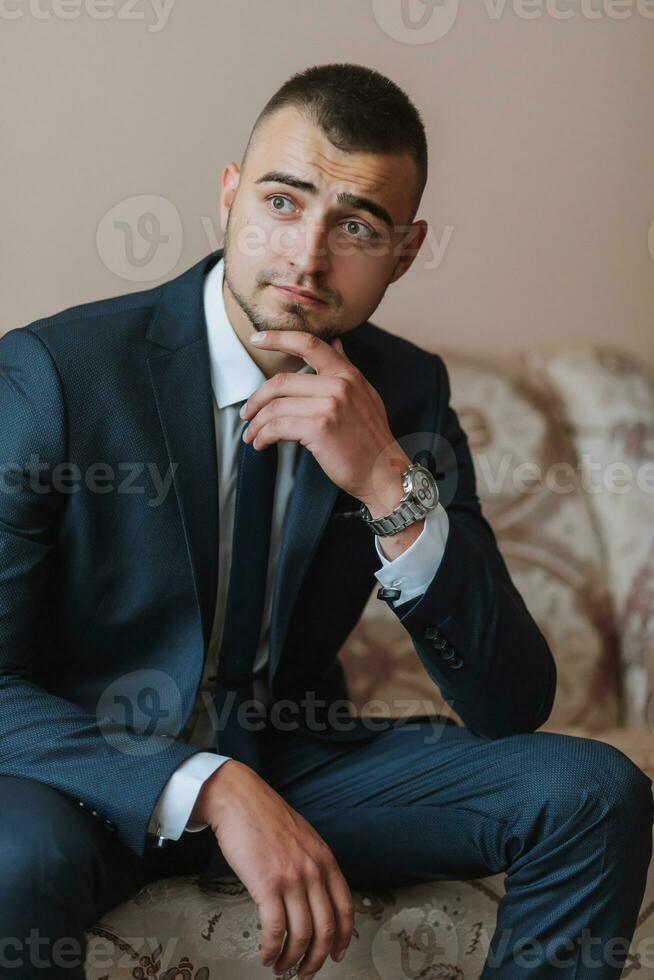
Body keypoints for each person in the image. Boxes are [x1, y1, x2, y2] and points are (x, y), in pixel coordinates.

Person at [0, 62, 651, 980]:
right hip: (81, 777)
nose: (306, 258)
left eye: (354, 226)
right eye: (281, 200)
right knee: (10, 860)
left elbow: (512, 702)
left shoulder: (404, 388)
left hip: (295, 757)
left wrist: (389, 482)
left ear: (405, 249)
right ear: (229, 194)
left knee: (593, 791)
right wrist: (210, 787)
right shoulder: (56, 374)